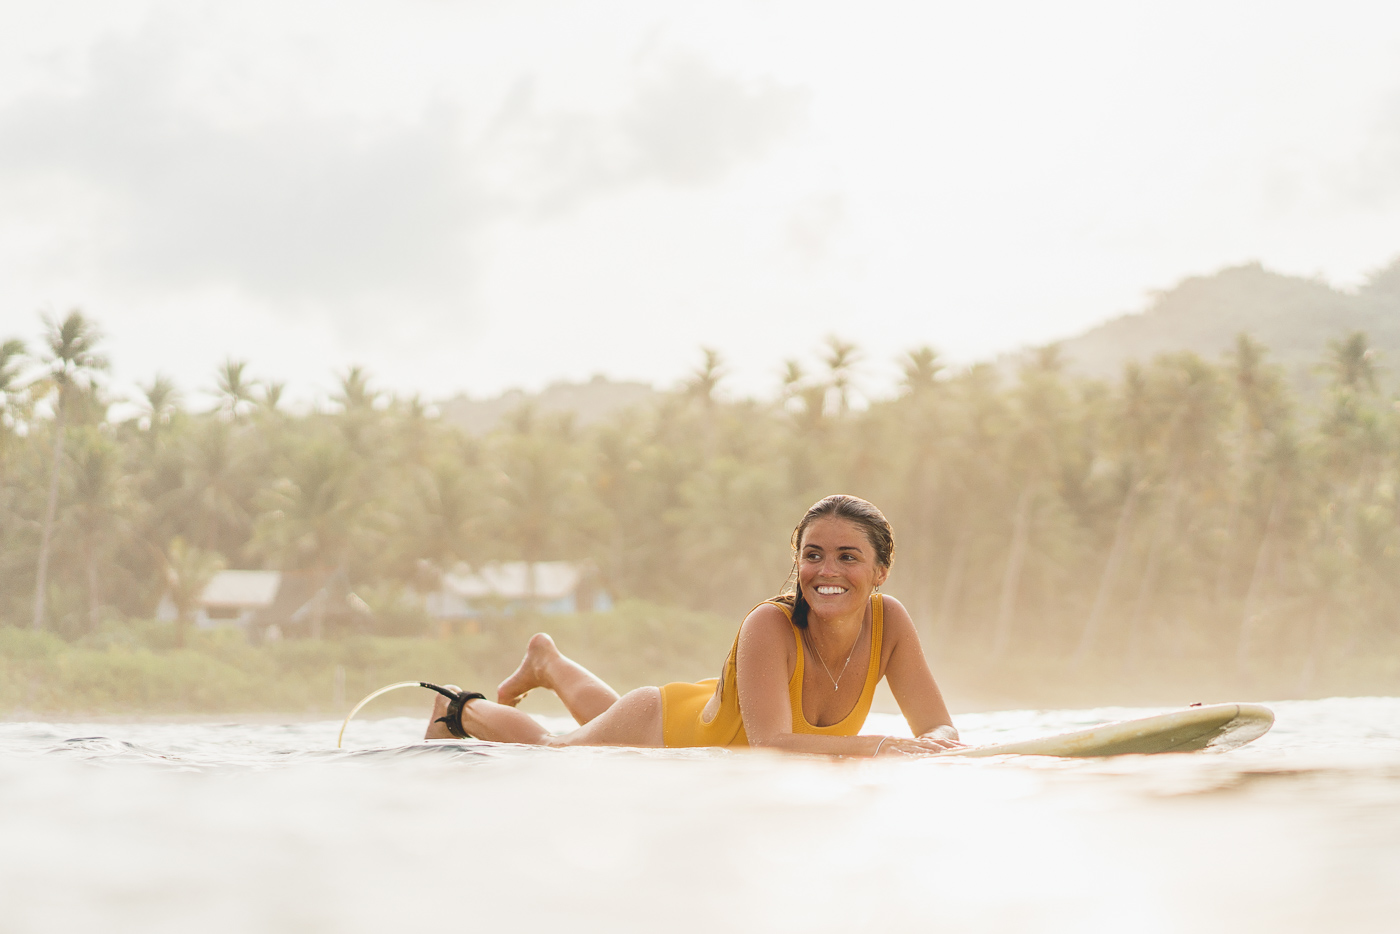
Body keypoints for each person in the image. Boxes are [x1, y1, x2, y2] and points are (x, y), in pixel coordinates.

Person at [425, 494, 964, 757]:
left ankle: (548, 662)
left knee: (602, 738)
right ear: (797, 560)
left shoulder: (889, 621)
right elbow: (772, 743)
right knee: (553, 749)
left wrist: (934, 745)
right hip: (662, 721)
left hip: (714, 711)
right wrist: (884, 747)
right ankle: (456, 704)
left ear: (880, 571)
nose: (826, 571)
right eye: (813, 554)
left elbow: (939, 728)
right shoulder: (768, 625)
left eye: (848, 557)